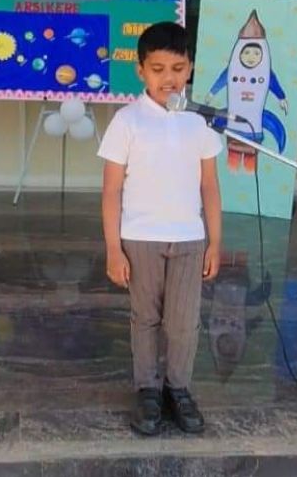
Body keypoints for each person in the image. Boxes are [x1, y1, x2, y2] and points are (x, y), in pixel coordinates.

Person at [98, 22, 222, 435]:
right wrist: (113, 249)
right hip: (140, 239)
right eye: (157, 69)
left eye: (178, 68)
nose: (168, 78)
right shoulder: (127, 121)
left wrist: (215, 242)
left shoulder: (199, 122)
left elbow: (210, 186)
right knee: (145, 318)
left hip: (189, 239)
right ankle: (148, 389)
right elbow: (112, 190)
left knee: (184, 322)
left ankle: (178, 388)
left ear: (190, 68)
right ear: (140, 71)